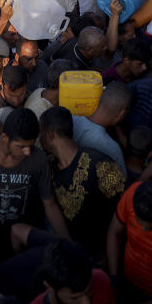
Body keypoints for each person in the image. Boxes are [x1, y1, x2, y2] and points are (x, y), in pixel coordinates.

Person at [0, 109, 70, 263]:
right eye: (21, 146)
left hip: (21, 249)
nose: (27, 152)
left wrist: (69, 245)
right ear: (5, 137)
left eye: (30, 146)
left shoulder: (38, 160)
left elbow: (49, 204)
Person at [39, 107, 125, 255]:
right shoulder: (49, 168)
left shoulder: (101, 166)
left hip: (99, 255)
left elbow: (124, 209)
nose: (38, 139)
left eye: (41, 133)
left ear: (50, 135)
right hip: (67, 253)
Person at [28, 239, 116, 304]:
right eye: (75, 298)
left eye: (89, 290)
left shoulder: (101, 281)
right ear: (50, 287)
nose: (86, 302)